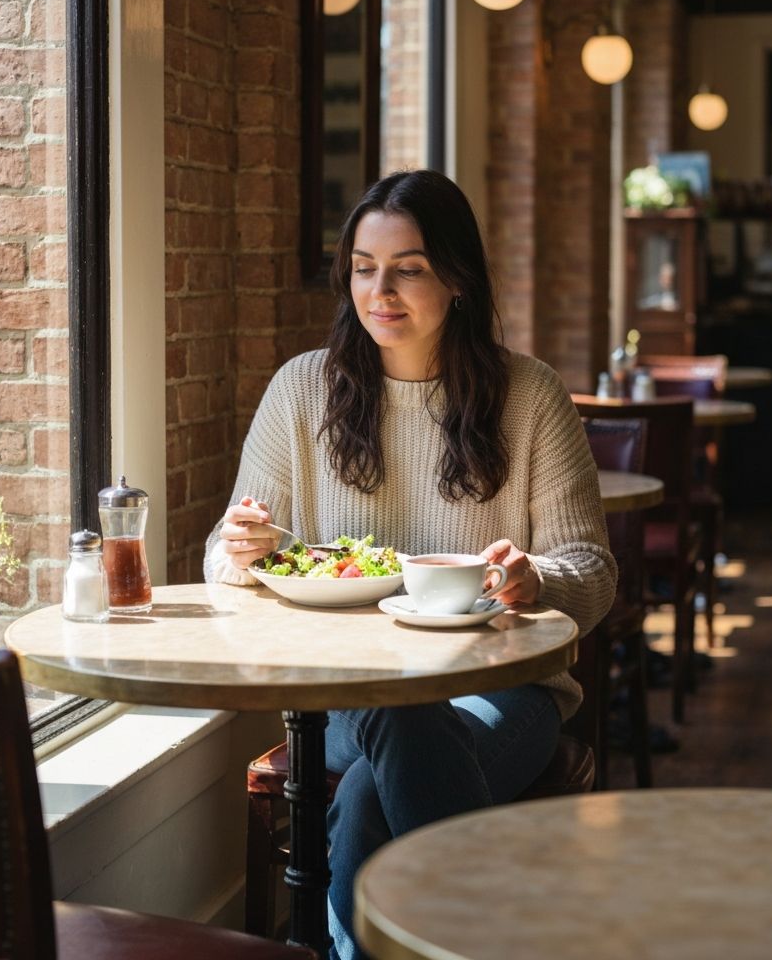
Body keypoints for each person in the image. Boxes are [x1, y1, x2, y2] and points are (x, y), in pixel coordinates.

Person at [205, 169, 615, 960]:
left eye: (409, 267)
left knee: (364, 799)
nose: (379, 290)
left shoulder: (529, 397)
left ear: (458, 279)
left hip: (505, 690)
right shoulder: (302, 391)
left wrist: (539, 577)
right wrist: (242, 547)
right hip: (343, 694)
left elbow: (592, 569)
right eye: (363, 266)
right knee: (393, 710)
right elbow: (225, 555)